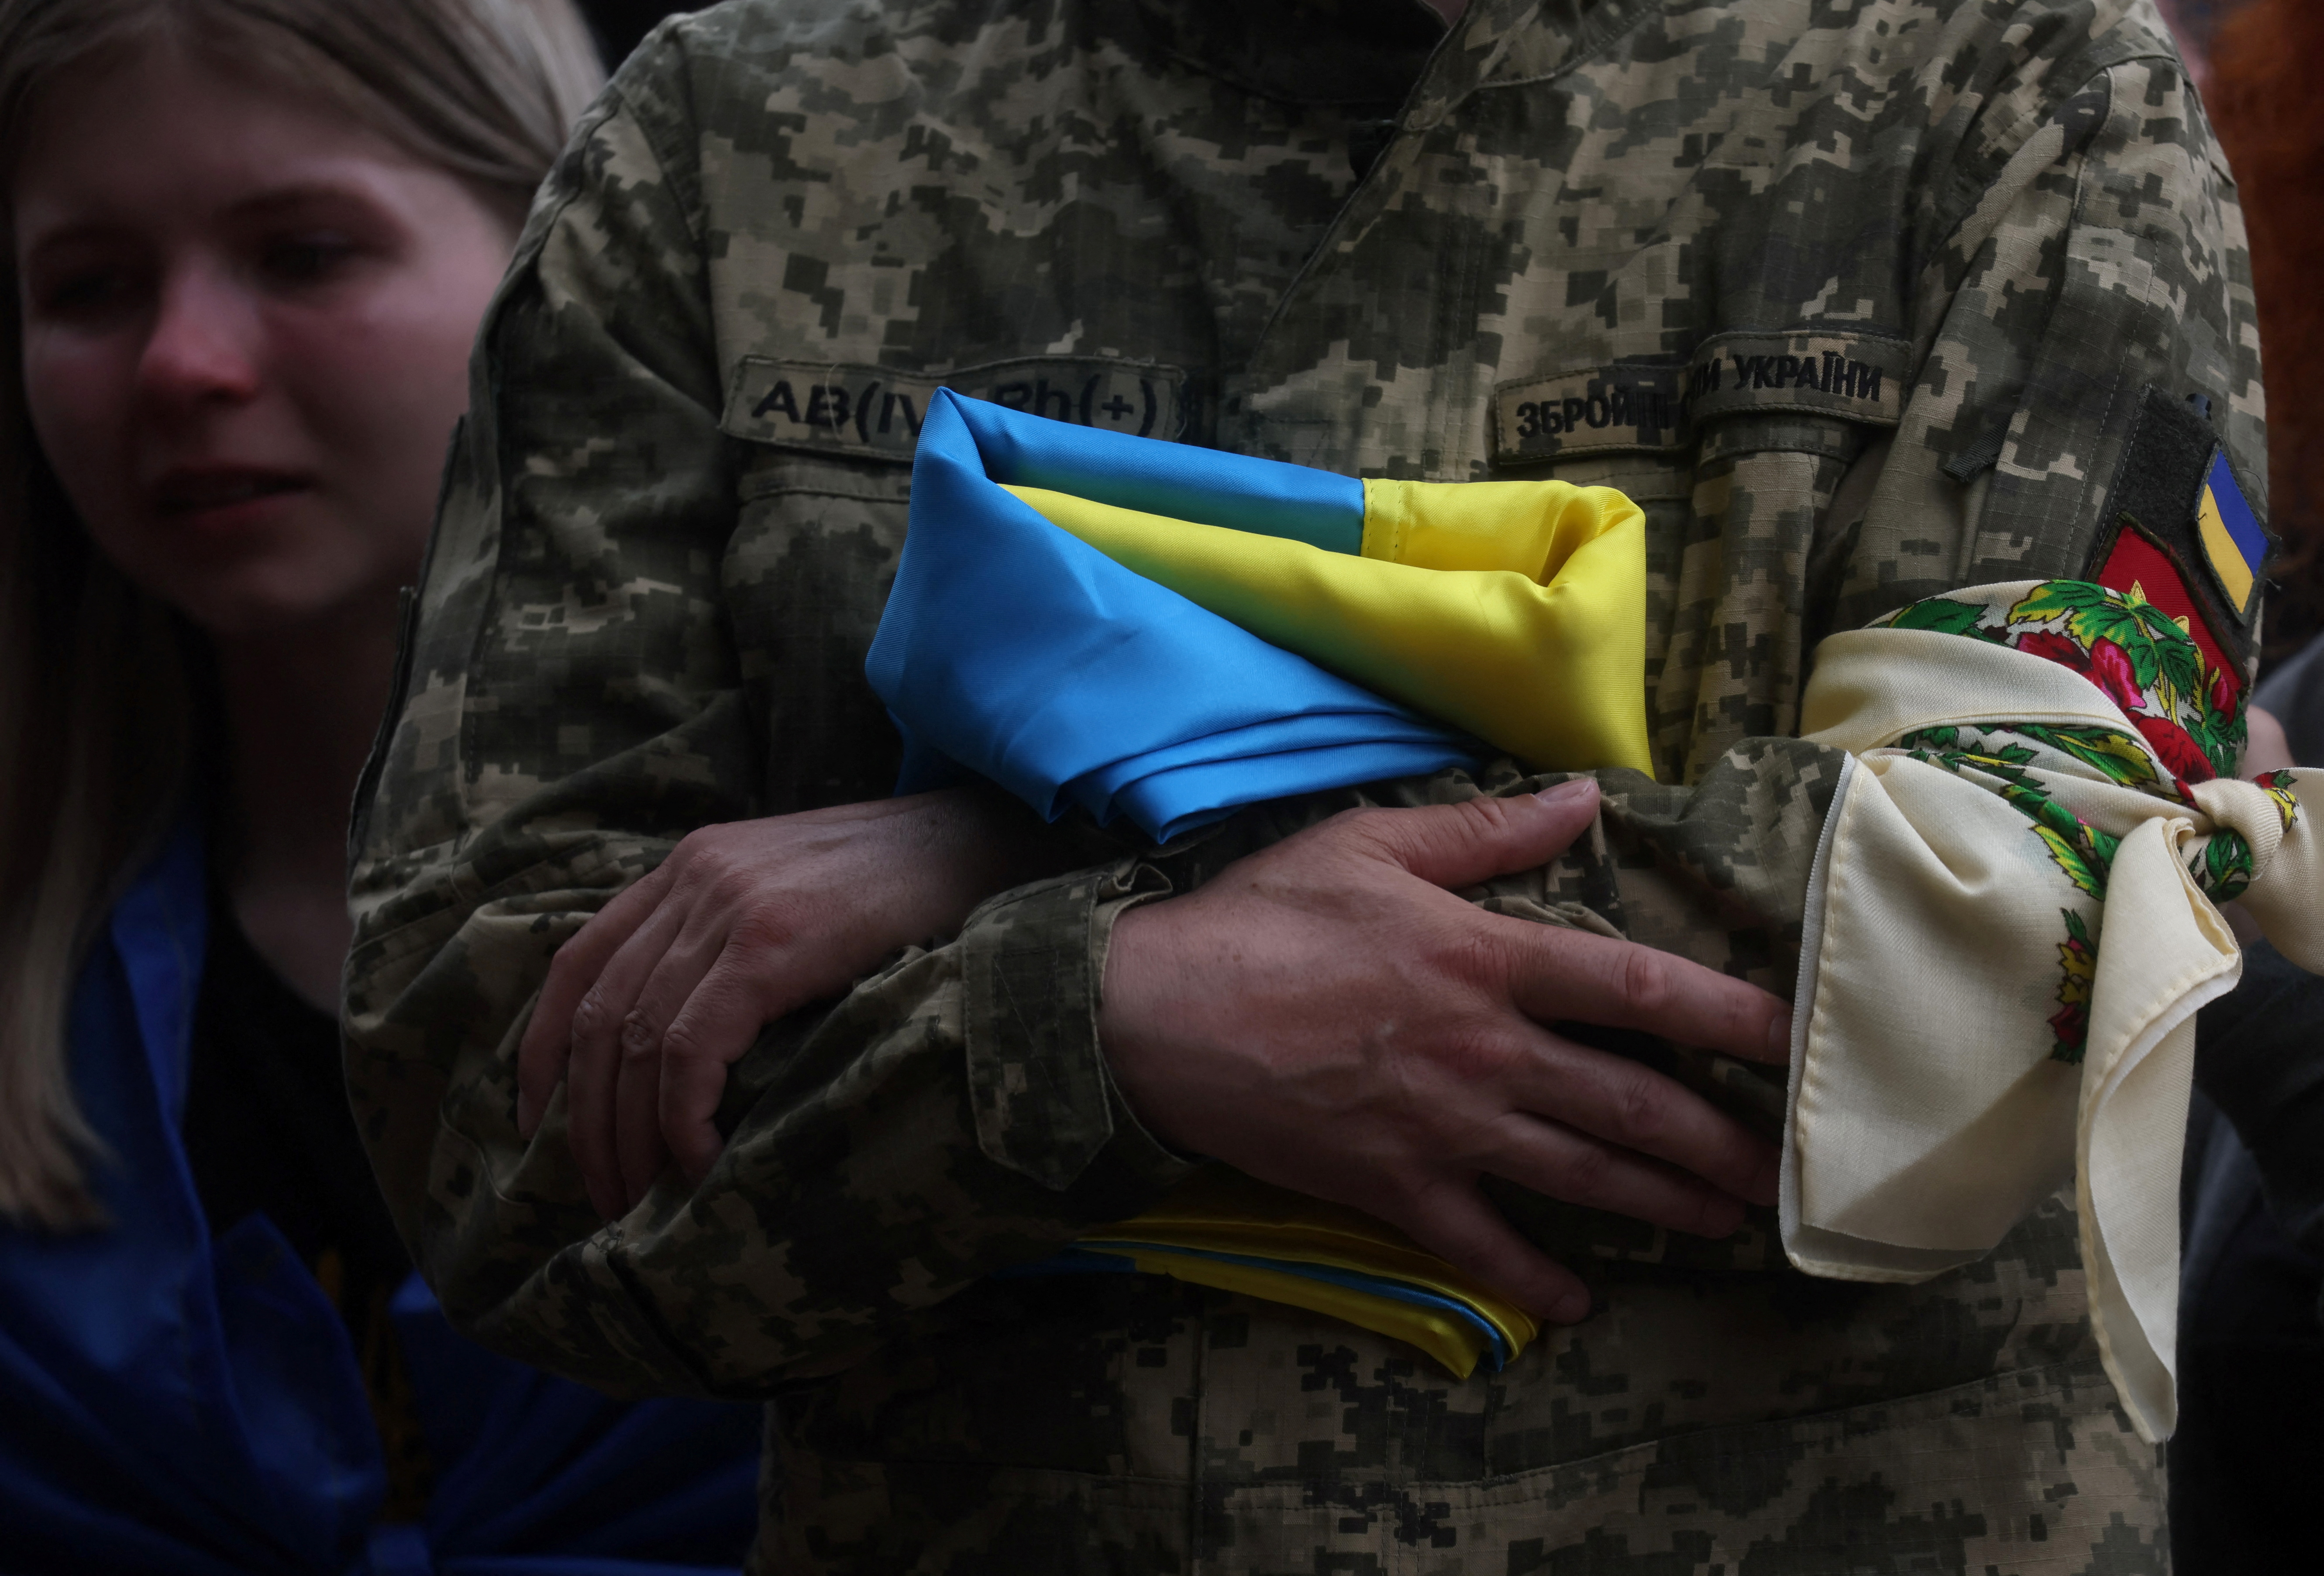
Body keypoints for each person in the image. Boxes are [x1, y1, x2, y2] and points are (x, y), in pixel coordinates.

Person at [347, 0, 2266, 1566]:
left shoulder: (1999, 83)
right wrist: (1086, 1027)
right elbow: (498, 1104)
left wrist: (1015, 870)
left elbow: (2008, 917)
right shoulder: (730, 136)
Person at [0, 1, 762, 1569]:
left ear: (566, 251)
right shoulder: (31, 938)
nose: (183, 363)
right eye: (88, 286)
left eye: (303, 252)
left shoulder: (852, 860)